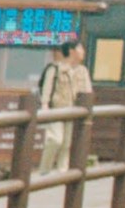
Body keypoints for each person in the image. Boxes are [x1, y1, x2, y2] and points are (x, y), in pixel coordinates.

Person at [34, 40, 94, 174]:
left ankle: (62, 173)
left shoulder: (82, 71)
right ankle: (44, 171)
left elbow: (88, 92)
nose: (83, 52)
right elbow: (47, 90)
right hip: (56, 111)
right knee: (55, 139)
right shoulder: (55, 68)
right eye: (80, 49)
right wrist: (45, 107)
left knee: (66, 144)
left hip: (73, 112)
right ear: (72, 51)